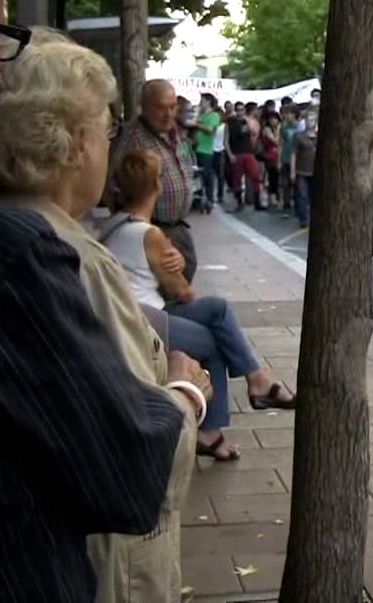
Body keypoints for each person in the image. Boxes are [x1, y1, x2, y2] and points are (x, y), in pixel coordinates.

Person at [0, 0, 204, 602]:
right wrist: (185, 391)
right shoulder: (43, 254)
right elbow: (129, 458)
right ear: (74, 145)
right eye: (103, 129)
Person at [106, 149, 296, 460]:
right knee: (215, 340)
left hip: (141, 313)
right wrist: (177, 265)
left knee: (218, 308)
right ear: (157, 185)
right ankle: (216, 424)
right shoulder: (150, 235)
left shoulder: (115, 225)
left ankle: (254, 384)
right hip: (147, 322)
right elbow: (184, 293)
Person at [110, 79, 200, 282]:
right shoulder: (131, 138)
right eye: (160, 107)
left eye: (172, 107)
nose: (168, 114)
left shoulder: (175, 132)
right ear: (144, 106)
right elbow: (110, 185)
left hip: (178, 227)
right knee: (172, 293)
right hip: (153, 231)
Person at [226, 109, 264, 212]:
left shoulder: (246, 122)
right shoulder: (230, 123)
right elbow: (226, 140)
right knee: (237, 179)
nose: (240, 112)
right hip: (237, 153)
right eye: (237, 110)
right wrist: (230, 154)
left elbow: (253, 132)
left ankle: (257, 202)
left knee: (255, 176)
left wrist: (247, 121)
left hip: (248, 152)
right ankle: (239, 203)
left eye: (242, 110)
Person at [193, 93, 221, 213]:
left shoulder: (214, 115)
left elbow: (210, 130)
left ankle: (209, 200)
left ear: (209, 101)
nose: (200, 103)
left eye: (203, 100)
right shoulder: (200, 114)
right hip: (195, 149)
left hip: (206, 150)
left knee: (207, 176)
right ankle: (198, 200)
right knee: (196, 177)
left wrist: (197, 125)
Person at [290, 108, 318, 228]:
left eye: (313, 119)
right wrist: (292, 171)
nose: (310, 121)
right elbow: (293, 153)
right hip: (302, 170)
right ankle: (303, 219)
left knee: (315, 197)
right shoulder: (298, 136)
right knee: (302, 196)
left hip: (316, 171)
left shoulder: (319, 136)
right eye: (308, 119)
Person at [278, 104, 300, 214]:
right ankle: (286, 205)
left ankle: (297, 205)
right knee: (285, 183)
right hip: (285, 157)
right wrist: (279, 160)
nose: (287, 115)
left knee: (296, 183)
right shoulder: (284, 127)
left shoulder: (300, 127)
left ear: (295, 114)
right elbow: (281, 144)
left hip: (298, 159)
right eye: (286, 113)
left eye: (289, 113)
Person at [259, 110, 282, 208]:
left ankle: (273, 198)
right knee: (272, 176)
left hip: (277, 156)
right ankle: (271, 199)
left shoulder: (278, 128)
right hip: (269, 156)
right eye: (271, 119)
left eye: (275, 119)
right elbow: (276, 141)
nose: (274, 121)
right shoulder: (267, 129)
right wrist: (278, 132)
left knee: (275, 177)